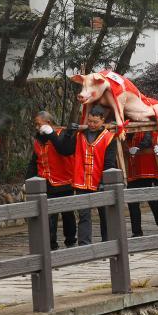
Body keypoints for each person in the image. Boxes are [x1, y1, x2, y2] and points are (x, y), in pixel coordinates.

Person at [58, 105, 117, 245]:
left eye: (95, 122)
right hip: (81, 181)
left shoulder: (109, 138)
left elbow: (109, 163)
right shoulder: (79, 135)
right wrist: (68, 133)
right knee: (83, 215)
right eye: (89, 121)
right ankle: (84, 245)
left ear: (102, 120)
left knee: (105, 215)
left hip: (100, 182)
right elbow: (65, 151)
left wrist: (104, 182)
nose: (91, 124)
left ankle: (107, 244)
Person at [26, 111, 77, 249]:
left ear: (48, 123)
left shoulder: (64, 134)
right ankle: (51, 244)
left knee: (68, 214)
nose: (36, 127)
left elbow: (63, 149)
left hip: (64, 182)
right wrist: (28, 181)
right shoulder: (38, 139)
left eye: (38, 124)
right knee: (49, 216)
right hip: (46, 183)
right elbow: (34, 161)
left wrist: (50, 133)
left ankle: (71, 240)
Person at [124, 117, 158, 237]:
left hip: (148, 168)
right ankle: (136, 231)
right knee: (133, 202)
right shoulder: (127, 123)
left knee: (154, 201)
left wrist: (139, 147)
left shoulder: (151, 123)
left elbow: (149, 140)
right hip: (133, 170)